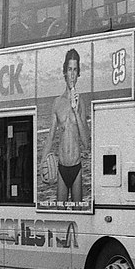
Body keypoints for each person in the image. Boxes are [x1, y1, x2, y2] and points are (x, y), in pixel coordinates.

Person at [41, 48, 90, 204]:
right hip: (61, 168)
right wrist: (42, 163)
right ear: (64, 72)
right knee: (60, 213)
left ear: (78, 73)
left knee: (78, 212)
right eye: (69, 69)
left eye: (75, 70)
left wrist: (76, 112)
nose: (72, 74)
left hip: (76, 167)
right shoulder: (57, 103)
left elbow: (86, 142)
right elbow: (50, 137)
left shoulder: (81, 103)